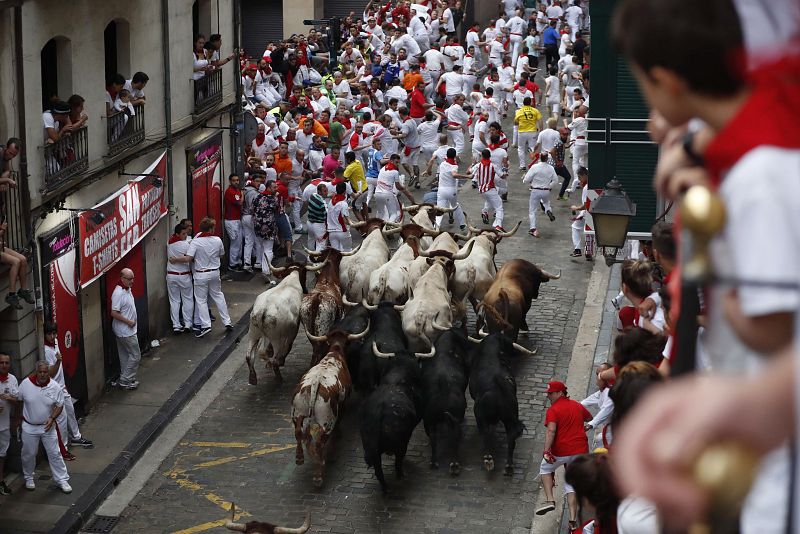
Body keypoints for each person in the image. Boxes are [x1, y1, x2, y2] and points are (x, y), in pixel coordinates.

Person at [536, 380, 591, 528]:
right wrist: (582, 427)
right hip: (580, 451)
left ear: (560, 393)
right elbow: (589, 418)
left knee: (545, 469)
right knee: (571, 484)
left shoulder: (553, 410)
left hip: (561, 451)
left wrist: (547, 451)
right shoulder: (577, 406)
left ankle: (550, 500)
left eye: (551, 393)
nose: (549, 396)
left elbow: (551, 430)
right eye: (548, 393)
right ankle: (572, 520)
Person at [173, 217, 233, 337]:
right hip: (215, 272)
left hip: (201, 274)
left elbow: (188, 258)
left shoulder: (196, 241)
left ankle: (206, 325)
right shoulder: (217, 240)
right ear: (211, 228)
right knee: (218, 296)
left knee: (201, 300)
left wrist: (175, 259)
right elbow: (222, 254)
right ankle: (227, 321)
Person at [17, 361, 72, 493]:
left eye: (45, 372)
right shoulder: (25, 384)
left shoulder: (55, 386)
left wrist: (52, 418)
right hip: (29, 427)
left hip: (48, 427)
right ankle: (29, 477)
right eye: (40, 372)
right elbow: (19, 402)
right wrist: (18, 422)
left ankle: (62, 480)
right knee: (29, 454)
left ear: (48, 373)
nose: (42, 374)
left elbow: (59, 405)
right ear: (36, 371)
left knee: (55, 453)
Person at [43, 322, 92, 457]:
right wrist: (58, 361)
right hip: (54, 390)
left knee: (70, 411)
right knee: (62, 419)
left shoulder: (57, 342)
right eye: (49, 334)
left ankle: (76, 437)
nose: (52, 337)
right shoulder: (45, 351)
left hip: (62, 387)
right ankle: (62, 448)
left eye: (54, 333)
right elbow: (50, 374)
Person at [110, 268, 141, 389]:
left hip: (125, 330)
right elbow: (114, 313)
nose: (132, 281)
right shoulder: (118, 293)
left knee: (125, 356)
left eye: (133, 278)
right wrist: (129, 322)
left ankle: (126, 378)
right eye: (129, 279)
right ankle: (126, 379)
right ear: (122, 279)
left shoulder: (127, 289)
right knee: (135, 355)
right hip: (126, 331)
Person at [166, 223, 194, 333]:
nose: (185, 235)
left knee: (174, 301)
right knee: (187, 299)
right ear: (177, 234)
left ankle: (176, 325)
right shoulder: (185, 245)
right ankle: (187, 323)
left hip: (171, 275)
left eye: (186, 233)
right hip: (184, 275)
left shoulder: (169, 243)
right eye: (183, 233)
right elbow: (190, 258)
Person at [522, 152, 557, 238]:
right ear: (547, 159)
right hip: (546, 190)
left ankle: (533, 229)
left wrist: (524, 179)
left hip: (535, 190)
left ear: (540, 158)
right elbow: (555, 180)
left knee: (532, 210)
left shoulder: (535, 167)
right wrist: (549, 186)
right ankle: (548, 210)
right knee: (546, 203)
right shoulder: (551, 168)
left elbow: (526, 179)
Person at [434, 148, 470, 230]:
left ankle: (436, 226)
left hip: (441, 190)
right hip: (451, 191)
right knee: (455, 205)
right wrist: (467, 176)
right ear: (454, 156)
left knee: (440, 209)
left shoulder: (442, 164)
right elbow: (454, 175)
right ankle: (462, 224)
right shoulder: (454, 166)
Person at [374, 154, 414, 223]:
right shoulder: (395, 172)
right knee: (393, 214)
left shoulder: (382, 169)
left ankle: (379, 227)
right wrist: (403, 187)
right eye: (396, 162)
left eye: (399, 163)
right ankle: (389, 228)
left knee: (381, 213)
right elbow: (398, 187)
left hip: (377, 194)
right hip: (387, 195)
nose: (398, 164)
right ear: (391, 161)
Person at [472, 148, 505, 230]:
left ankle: (485, 211)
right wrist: (505, 172)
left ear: (482, 156)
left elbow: (468, 172)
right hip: (490, 189)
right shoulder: (493, 166)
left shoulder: (478, 165)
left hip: (482, 190)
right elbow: (502, 176)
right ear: (490, 156)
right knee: (499, 207)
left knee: (489, 200)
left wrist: (473, 164)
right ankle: (498, 224)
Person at [0, 353, 18, 495]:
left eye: (6, 363)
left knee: (2, 455)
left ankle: (1, 482)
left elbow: (17, 401)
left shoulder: (12, 380)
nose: (4, 365)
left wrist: (10, 398)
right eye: (1, 363)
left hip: (4, 425)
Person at [514, 96, 542, 170]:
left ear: (523, 103)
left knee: (521, 148)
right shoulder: (535, 111)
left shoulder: (519, 111)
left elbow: (516, 122)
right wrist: (541, 130)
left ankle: (522, 165)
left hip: (522, 132)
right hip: (532, 131)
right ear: (531, 102)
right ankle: (534, 164)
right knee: (533, 148)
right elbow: (540, 121)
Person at [223, 174, 243, 271]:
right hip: (231, 221)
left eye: (237, 180)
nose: (236, 182)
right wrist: (242, 194)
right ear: (230, 181)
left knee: (239, 243)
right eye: (234, 180)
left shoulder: (236, 191)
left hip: (236, 219)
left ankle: (237, 261)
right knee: (235, 243)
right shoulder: (230, 191)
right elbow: (239, 203)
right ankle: (232, 264)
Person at [569, 167, 590, 258]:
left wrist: (576, 208)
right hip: (592, 213)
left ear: (585, 175)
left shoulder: (586, 188)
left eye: (580, 177)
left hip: (586, 212)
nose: (579, 179)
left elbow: (586, 205)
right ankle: (588, 251)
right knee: (589, 232)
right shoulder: (590, 184)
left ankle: (577, 249)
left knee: (575, 227)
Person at [327, 181, 354, 252]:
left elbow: (335, 211)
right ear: (345, 191)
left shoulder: (330, 202)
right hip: (342, 232)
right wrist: (353, 223)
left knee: (336, 255)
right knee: (348, 251)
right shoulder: (343, 204)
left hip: (331, 232)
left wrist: (347, 209)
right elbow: (345, 220)